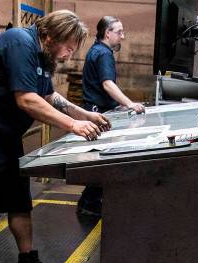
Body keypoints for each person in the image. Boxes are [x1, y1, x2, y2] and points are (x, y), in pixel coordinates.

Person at [0, 10, 111, 263]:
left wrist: (84, 114)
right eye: (68, 48)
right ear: (49, 37)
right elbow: (27, 99)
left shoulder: (42, 56)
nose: (68, 56)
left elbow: (49, 96)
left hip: (3, 135)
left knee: (18, 200)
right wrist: (73, 125)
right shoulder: (19, 43)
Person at [75, 15, 145, 217]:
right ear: (107, 33)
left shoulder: (96, 50)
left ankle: (91, 201)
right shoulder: (104, 53)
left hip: (97, 108)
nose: (122, 36)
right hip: (99, 113)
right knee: (103, 159)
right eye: (119, 32)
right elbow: (107, 84)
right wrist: (130, 104)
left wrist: (120, 105)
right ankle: (89, 202)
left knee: (100, 158)